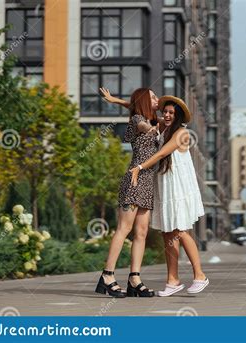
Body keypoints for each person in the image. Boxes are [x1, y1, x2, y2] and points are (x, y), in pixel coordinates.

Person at [130, 96, 209, 297]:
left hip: (179, 188)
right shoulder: (163, 129)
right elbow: (137, 107)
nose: (166, 115)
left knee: (181, 231)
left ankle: (200, 275)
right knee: (168, 233)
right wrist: (116, 101)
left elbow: (160, 154)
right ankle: (172, 280)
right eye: (164, 111)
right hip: (165, 185)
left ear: (178, 115)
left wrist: (139, 168)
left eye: (171, 113)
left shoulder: (182, 133)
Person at [95, 88, 161, 298]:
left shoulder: (154, 118)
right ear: (144, 101)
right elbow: (140, 122)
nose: (157, 99)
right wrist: (153, 127)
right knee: (124, 228)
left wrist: (115, 100)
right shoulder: (139, 120)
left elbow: (132, 105)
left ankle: (134, 279)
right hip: (133, 180)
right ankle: (107, 276)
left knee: (141, 233)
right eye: (152, 97)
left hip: (147, 183)